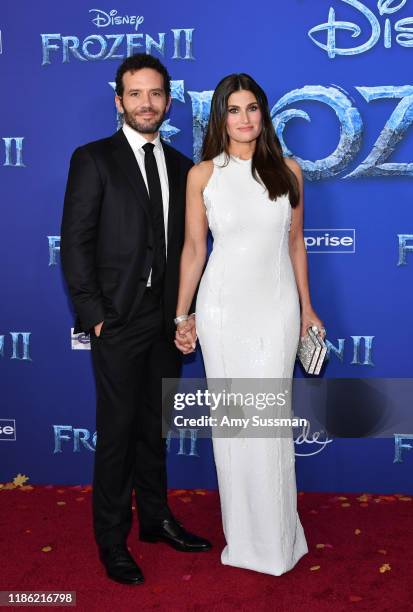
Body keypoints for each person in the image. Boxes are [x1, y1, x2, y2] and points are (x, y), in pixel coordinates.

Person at [60, 53, 211, 586]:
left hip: (165, 321)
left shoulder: (181, 165)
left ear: (168, 102)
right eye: (135, 94)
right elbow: (75, 243)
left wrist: (182, 315)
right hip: (118, 321)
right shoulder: (93, 159)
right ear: (119, 100)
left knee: (153, 429)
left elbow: (189, 248)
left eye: (155, 94)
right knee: (118, 432)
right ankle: (111, 540)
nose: (146, 103)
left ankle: (156, 520)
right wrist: (95, 316)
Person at [174, 73, 325, 576]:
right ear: (221, 117)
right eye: (233, 109)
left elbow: (296, 243)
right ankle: (244, 540)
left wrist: (306, 307)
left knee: (269, 426)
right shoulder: (202, 175)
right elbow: (195, 249)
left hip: (276, 306)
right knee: (235, 428)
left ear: (264, 113)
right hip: (221, 309)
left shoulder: (289, 170)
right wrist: (183, 313)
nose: (243, 118)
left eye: (252, 108)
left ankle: (280, 540)